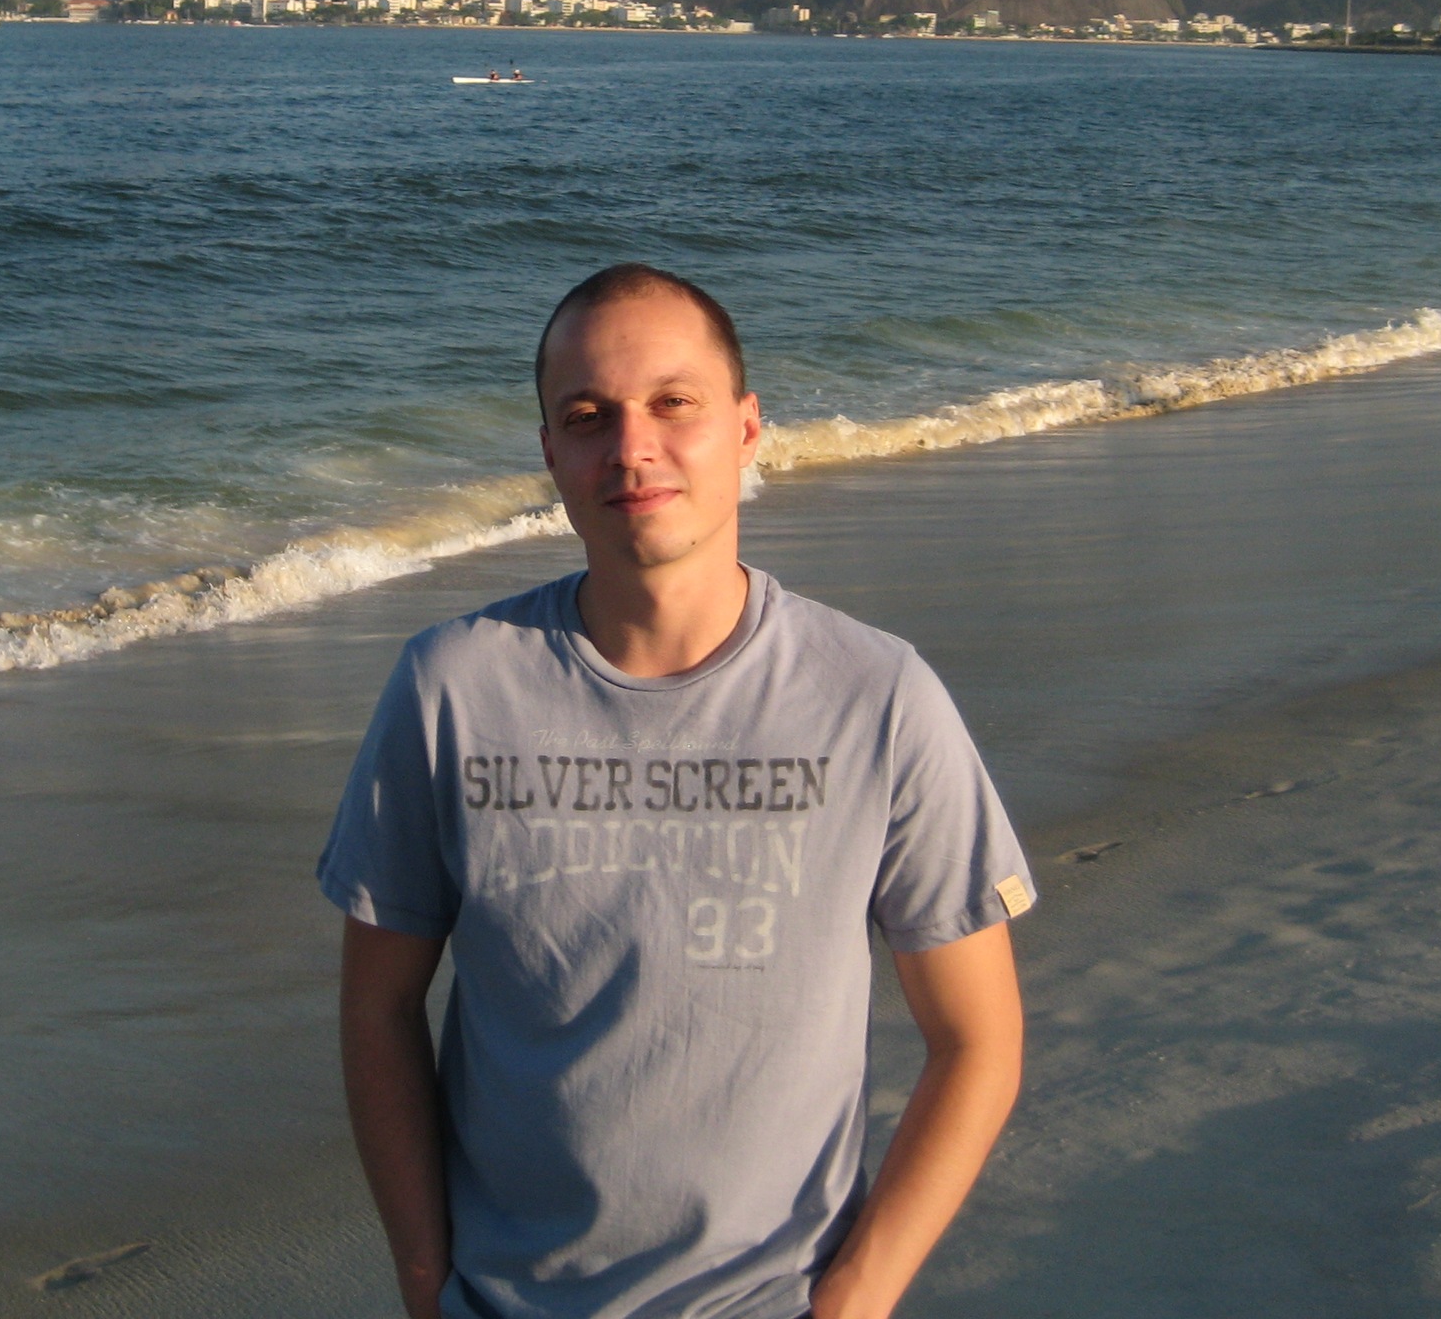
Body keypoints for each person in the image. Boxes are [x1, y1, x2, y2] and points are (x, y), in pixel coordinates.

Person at [319, 264, 1032, 1319]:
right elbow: (377, 1008)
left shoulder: (875, 696)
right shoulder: (452, 688)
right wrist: (426, 1284)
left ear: (745, 429)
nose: (631, 446)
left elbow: (978, 1041)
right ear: (549, 453)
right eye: (587, 417)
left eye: (673, 403)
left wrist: (857, 1297)